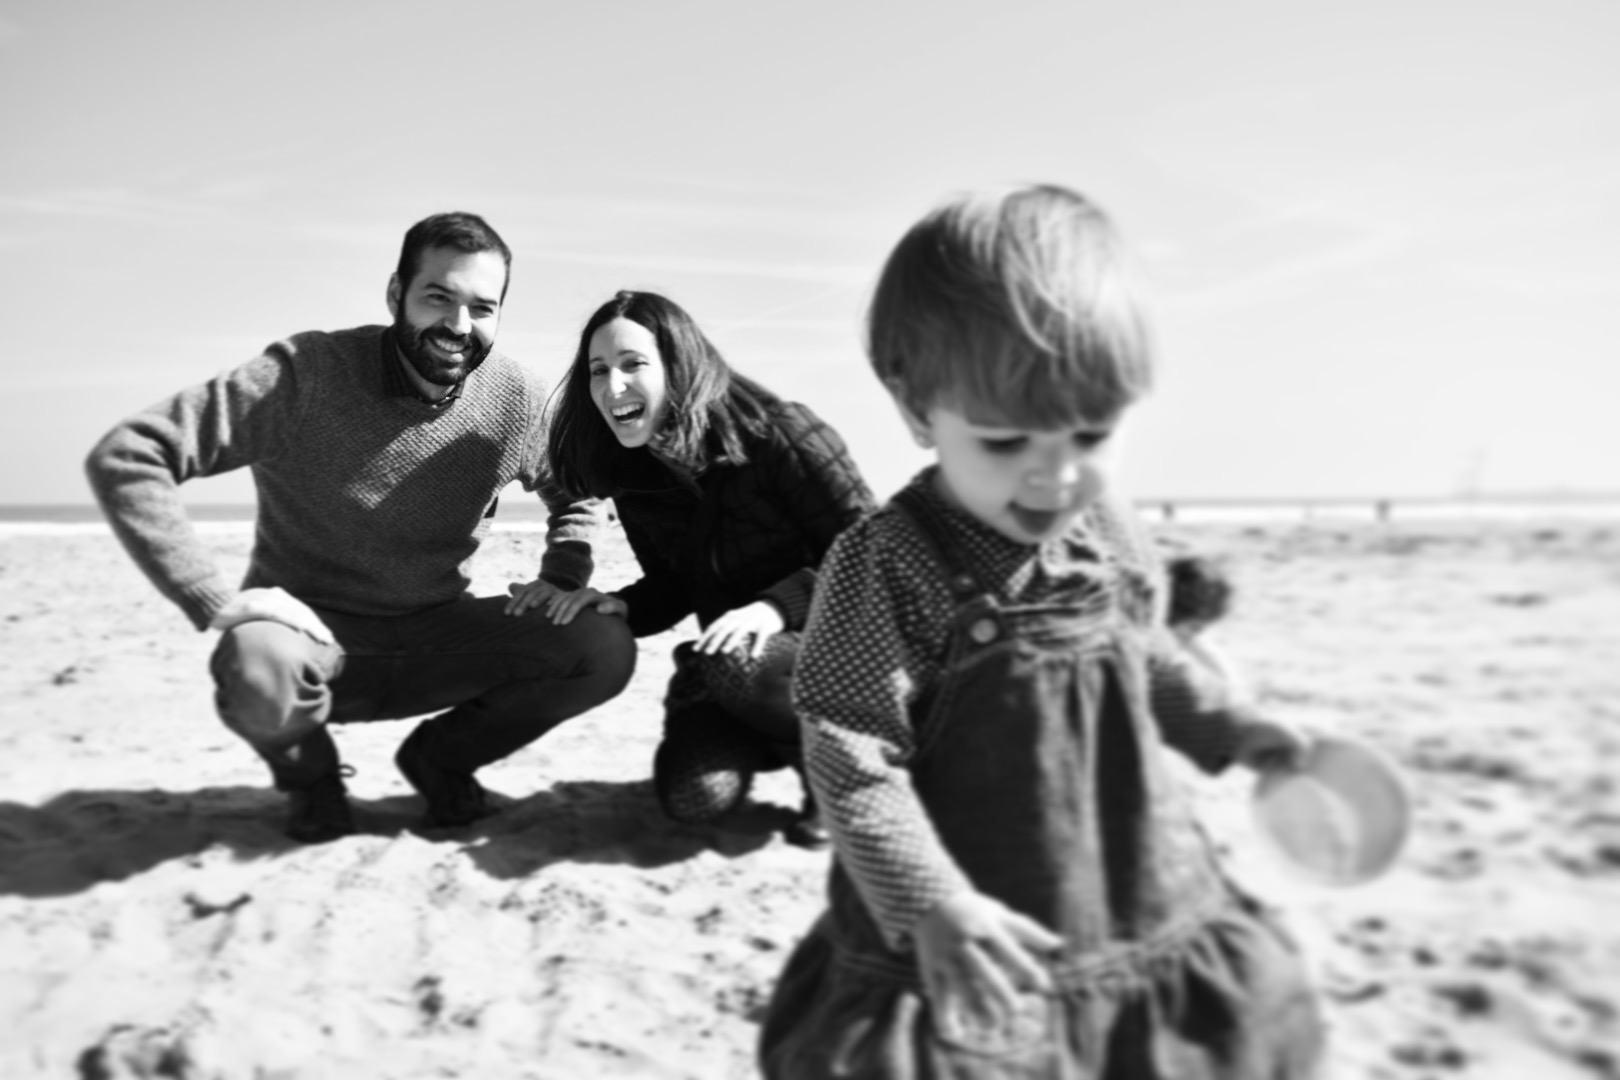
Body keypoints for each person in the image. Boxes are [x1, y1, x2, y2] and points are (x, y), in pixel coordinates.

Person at [759, 186, 1325, 1077]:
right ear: (917, 409)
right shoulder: (889, 563)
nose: (1054, 478)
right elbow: (849, 752)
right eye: (1005, 442)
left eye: (1091, 435)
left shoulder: (1110, 530)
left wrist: (1232, 726)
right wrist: (929, 902)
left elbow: (1140, 658)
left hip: (1133, 890)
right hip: (973, 923)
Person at [84, 212, 636, 844]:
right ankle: (313, 782)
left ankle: (441, 761)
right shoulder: (305, 373)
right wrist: (210, 598)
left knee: (601, 646)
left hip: (440, 637)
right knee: (256, 664)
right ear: (396, 293)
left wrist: (562, 577)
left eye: (482, 308)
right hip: (310, 637)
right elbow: (133, 454)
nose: (460, 325)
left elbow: (579, 494)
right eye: (438, 297)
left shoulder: (516, 396)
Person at [515, 290, 874, 847]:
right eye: (598, 370)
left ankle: (845, 771)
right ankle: (770, 727)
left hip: (841, 653)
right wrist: (621, 604)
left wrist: (776, 608)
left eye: (633, 363)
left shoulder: (781, 432)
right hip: (737, 666)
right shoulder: (634, 476)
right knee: (693, 799)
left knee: (739, 659)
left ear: (678, 364)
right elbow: (676, 584)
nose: (612, 386)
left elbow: (873, 557)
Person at [1166, 551, 1252, 704]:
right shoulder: (1163, 644)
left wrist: (1232, 686)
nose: (1199, 633)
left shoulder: (1185, 635)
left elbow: (1229, 682)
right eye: (1195, 627)